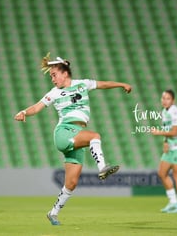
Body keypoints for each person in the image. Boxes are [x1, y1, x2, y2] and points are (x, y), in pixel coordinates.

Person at [14, 53, 132, 225]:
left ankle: (53, 213)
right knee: (95, 136)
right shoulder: (54, 93)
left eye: (54, 75)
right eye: (51, 76)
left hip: (76, 136)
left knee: (71, 182)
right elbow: (37, 107)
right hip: (64, 132)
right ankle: (102, 167)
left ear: (65, 73)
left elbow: (102, 84)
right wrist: (24, 112)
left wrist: (121, 84)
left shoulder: (82, 84)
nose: (52, 79)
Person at [151, 89, 177, 213]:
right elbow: (167, 130)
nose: (164, 100)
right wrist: (165, 142)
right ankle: (173, 202)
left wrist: (158, 133)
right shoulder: (164, 111)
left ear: (173, 100)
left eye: (167, 98)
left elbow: (174, 132)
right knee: (162, 173)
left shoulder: (175, 112)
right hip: (171, 147)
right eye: (163, 98)